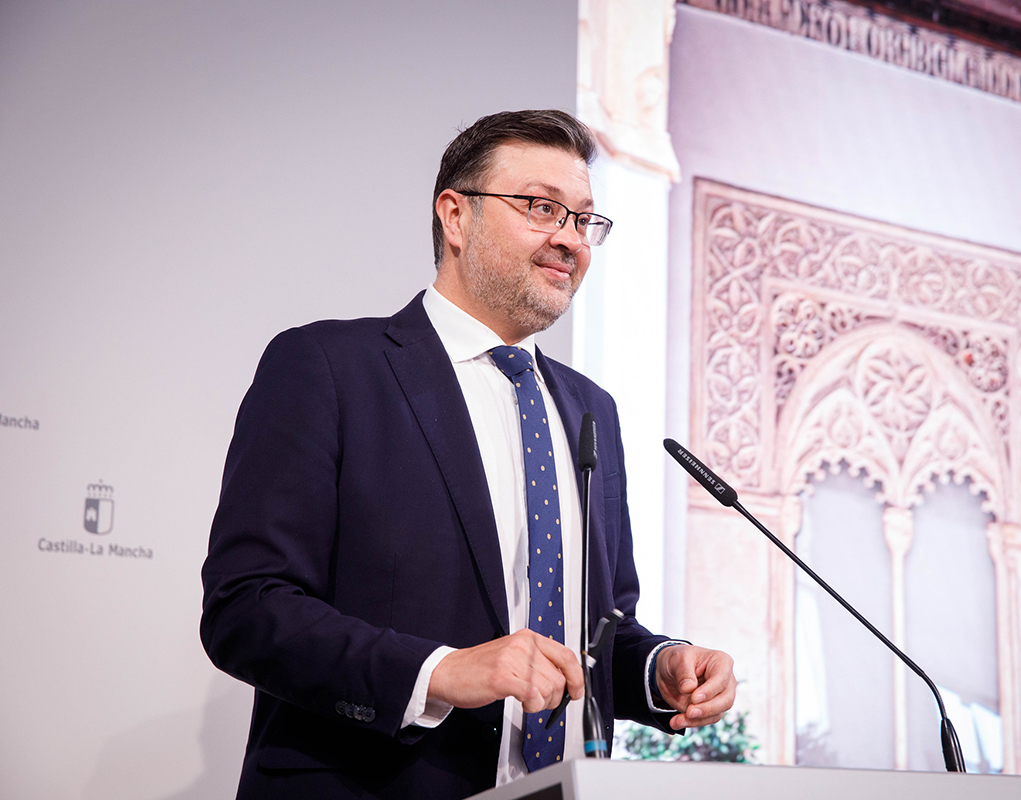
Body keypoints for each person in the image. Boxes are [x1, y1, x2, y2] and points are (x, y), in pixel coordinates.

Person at [200, 109, 736, 800]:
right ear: (455, 216)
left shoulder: (591, 409)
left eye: (583, 220)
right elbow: (247, 608)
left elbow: (601, 632)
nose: (569, 238)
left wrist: (659, 670)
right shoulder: (328, 368)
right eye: (542, 207)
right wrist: (439, 672)